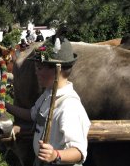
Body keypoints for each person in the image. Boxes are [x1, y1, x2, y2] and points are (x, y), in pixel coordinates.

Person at [6, 33, 91, 166]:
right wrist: (5, 106)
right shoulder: (48, 94)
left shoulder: (69, 107)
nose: (36, 73)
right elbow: (32, 115)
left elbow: (79, 152)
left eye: (39, 68)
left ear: (57, 70)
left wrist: (56, 155)